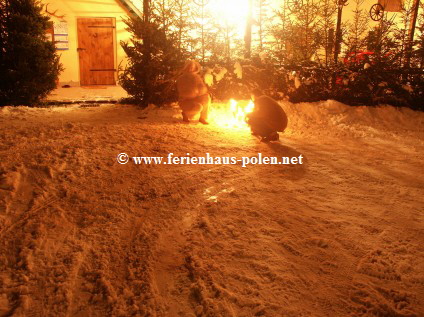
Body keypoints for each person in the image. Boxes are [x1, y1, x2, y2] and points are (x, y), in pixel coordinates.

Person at [176, 60, 210, 124]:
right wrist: (192, 94)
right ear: (186, 67)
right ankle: (185, 113)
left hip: (196, 98)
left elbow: (202, 87)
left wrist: (201, 92)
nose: (190, 68)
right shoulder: (182, 78)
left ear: (195, 68)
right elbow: (182, 91)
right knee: (198, 107)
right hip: (185, 100)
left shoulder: (197, 77)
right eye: (189, 67)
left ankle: (202, 118)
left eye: (192, 67)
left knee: (206, 98)